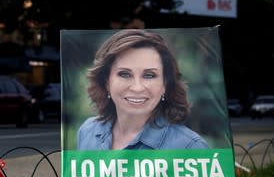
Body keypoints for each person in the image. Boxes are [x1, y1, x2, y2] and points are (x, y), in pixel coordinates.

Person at [77, 29, 209, 150]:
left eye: (149, 75)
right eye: (124, 74)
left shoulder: (190, 147)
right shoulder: (87, 131)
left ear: (165, 85)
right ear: (106, 82)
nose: (137, 87)